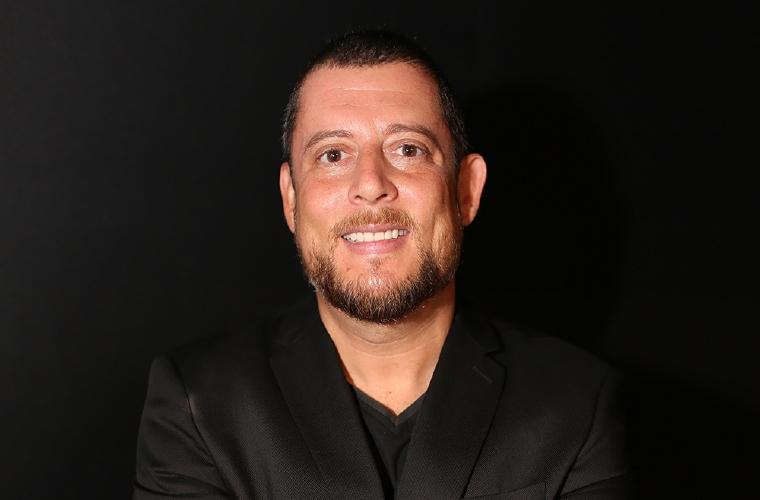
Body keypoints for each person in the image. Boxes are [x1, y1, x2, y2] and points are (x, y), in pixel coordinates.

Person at [133, 30, 630, 499]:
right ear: (291, 199)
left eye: (407, 149)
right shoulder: (198, 402)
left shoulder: (575, 401)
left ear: (466, 190)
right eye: (333, 155)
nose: (370, 184)